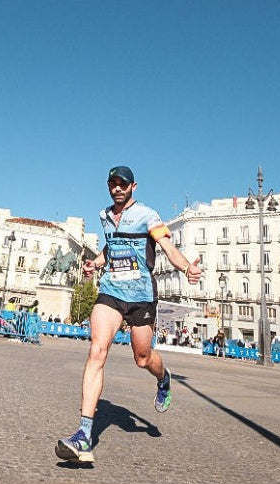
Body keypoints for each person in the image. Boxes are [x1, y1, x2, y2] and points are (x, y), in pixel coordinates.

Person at [55, 165, 202, 464]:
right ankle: (83, 436)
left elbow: (167, 247)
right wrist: (96, 264)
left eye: (122, 184)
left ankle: (163, 378)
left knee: (142, 358)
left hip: (141, 297)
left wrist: (187, 267)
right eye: (112, 184)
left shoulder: (147, 215)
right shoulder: (105, 216)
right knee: (97, 351)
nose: (117, 188)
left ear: (133, 186)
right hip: (111, 291)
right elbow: (111, 248)